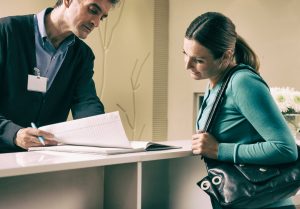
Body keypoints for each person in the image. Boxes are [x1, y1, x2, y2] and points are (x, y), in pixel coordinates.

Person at [183, 12, 298, 209]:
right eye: (185, 54)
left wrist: (219, 150)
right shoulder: (214, 83)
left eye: (199, 60)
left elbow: (285, 148)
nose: (188, 65)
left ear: (226, 55)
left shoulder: (242, 82)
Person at [0, 0, 119, 153]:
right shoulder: (6, 32)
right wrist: (13, 134)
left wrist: (104, 133)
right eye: (93, 10)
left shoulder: (83, 56)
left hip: (44, 160)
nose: (96, 23)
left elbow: (86, 102)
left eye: (102, 17)